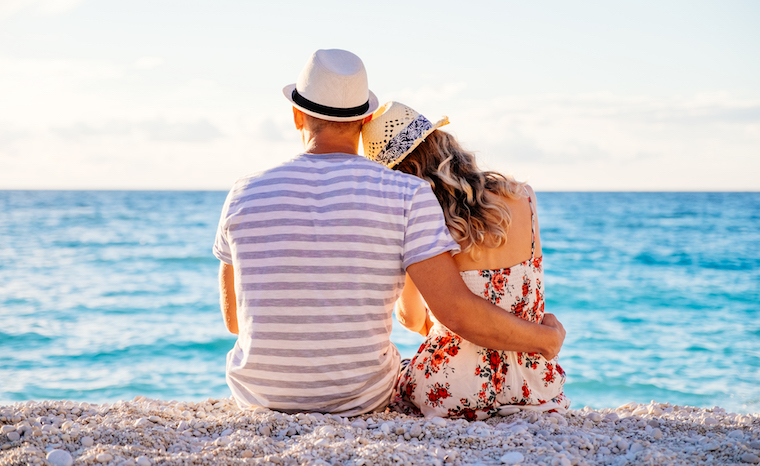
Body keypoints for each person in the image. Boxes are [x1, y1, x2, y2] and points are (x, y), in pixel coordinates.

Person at [212, 49, 566, 416]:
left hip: (259, 396)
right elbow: (454, 311)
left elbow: (235, 321)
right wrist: (545, 338)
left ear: (297, 116)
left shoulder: (242, 192)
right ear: (365, 120)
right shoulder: (408, 194)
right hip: (359, 399)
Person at [362, 101, 570, 420]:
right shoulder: (523, 196)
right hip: (535, 385)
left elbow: (412, 318)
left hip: (454, 389)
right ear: (443, 141)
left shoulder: (417, 218)